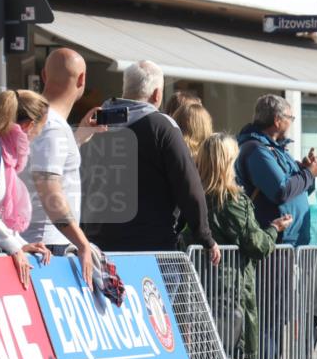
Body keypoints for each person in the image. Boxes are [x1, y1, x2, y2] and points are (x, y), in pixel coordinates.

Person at [81, 61, 220, 262]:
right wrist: (205, 237)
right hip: (150, 246)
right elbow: (188, 184)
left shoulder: (94, 124)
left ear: (125, 88)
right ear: (157, 94)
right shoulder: (161, 126)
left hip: (98, 244)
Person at [182, 134, 291, 358]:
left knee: (204, 356)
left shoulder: (192, 195)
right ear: (227, 163)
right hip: (228, 291)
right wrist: (273, 229)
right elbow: (256, 245)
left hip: (197, 287)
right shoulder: (232, 201)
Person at [23, 48, 99, 288]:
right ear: (81, 79)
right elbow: (48, 187)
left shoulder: (38, 120)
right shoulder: (53, 126)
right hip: (47, 247)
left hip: (36, 244)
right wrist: (82, 242)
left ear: (44, 75)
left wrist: (77, 138)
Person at [236, 94, 317, 247]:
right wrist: (308, 173)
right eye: (290, 117)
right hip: (276, 245)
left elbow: (299, 191)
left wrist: (306, 171)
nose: (291, 122)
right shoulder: (257, 151)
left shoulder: (276, 149)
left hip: (293, 243)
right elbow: (281, 191)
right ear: (277, 120)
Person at [0, 90, 52, 287]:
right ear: (28, 126)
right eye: (39, 131)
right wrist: (14, 246)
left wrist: (20, 243)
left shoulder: (1, 152)